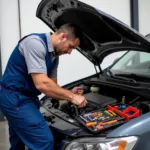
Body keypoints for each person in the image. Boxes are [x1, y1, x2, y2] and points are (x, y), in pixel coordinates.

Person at [0, 23, 87, 150]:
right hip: (14, 98)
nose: (69, 52)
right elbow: (42, 84)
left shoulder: (54, 57)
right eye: (71, 47)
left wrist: (69, 92)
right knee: (43, 141)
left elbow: (52, 86)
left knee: (18, 141)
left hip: (27, 98)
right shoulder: (35, 44)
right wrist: (72, 96)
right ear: (63, 36)